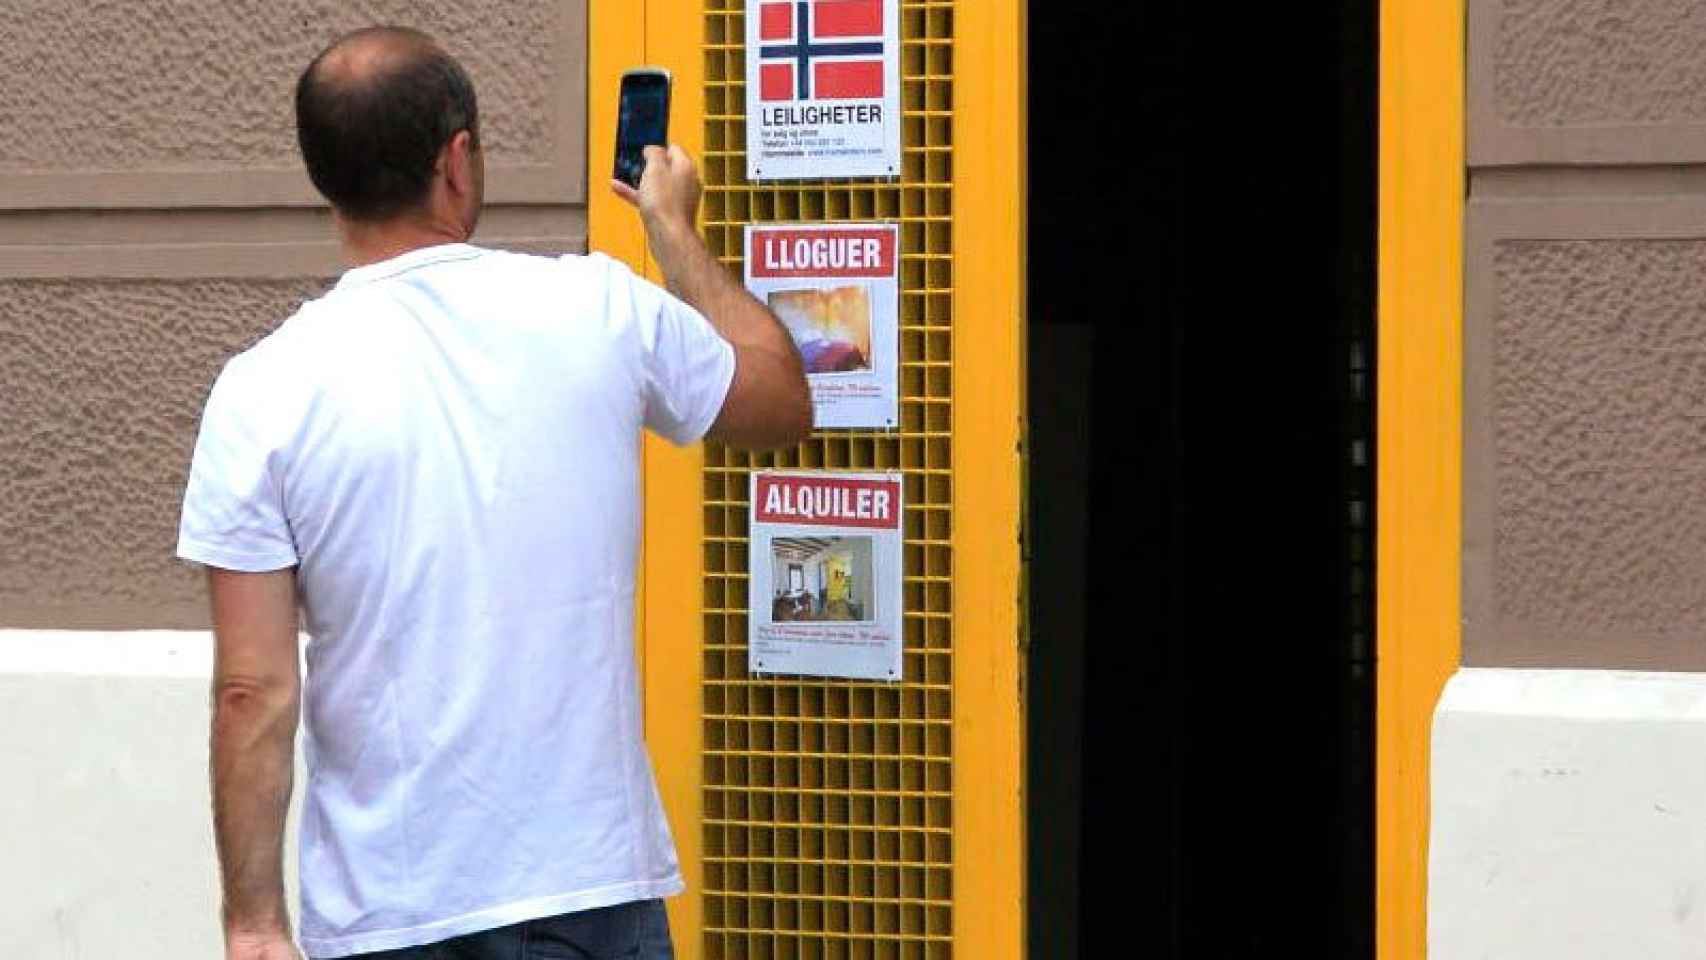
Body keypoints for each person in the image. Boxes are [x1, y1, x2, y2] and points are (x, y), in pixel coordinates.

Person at [177, 26, 811, 960]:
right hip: (589, 893)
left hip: (386, 911)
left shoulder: (260, 390)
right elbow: (780, 397)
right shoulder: (601, 308)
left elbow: (252, 691)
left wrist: (255, 922)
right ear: (457, 161)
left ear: (327, 178)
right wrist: (671, 228)